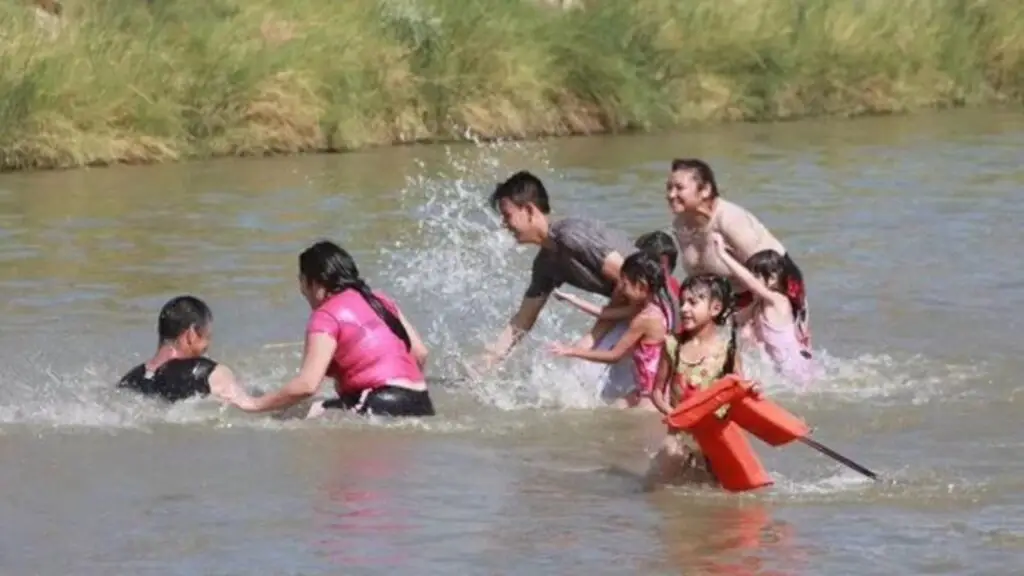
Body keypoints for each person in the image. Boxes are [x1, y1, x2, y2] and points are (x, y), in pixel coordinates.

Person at [240, 240, 434, 418]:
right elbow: (420, 353)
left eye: (301, 282)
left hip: (378, 401)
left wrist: (254, 404)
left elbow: (307, 385)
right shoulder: (380, 300)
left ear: (312, 282)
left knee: (287, 415)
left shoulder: (326, 315)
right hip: (423, 402)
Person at [476, 171, 639, 381]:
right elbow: (522, 320)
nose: (504, 224)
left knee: (584, 373)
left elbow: (634, 280)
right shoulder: (546, 264)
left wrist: (592, 337)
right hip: (630, 313)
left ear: (529, 210)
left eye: (507, 216)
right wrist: (487, 361)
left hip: (657, 311)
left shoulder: (572, 236)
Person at [665, 158, 812, 347]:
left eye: (678, 188)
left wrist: (758, 319)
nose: (670, 194)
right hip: (732, 301)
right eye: (668, 188)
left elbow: (771, 274)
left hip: (775, 291)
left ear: (705, 190)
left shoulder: (729, 220)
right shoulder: (680, 225)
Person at [646, 274, 743, 488]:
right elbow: (656, 393)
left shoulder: (727, 352)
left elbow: (739, 394)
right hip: (679, 436)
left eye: (692, 302)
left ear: (715, 308)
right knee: (656, 488)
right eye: (681, 302)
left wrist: (753, 390)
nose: (683, 309)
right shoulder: (673, 345)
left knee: (711, 494)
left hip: (714, 438)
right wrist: (673, 414)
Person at [549, 252, 672, 410]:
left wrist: (570, 351)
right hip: (648, 389)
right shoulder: (654, 307)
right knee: (610, 413)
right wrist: (572, 299)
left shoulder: (644, 319)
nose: (621, 288)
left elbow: (613, 356)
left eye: (625, 284)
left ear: (641, 286)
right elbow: (605, 314)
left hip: (649, 396)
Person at [117, 295, 257, 408]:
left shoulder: (130, 379)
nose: (207, 346)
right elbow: (251, 406)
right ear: (191, 334)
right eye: (207, 337)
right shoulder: (207, 373)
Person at [711, 233, 815, 384]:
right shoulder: (757, 304)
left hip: (793, 369)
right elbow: (734, 320)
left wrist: (722, 254)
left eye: (756, 276)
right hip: (779, 368)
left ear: (772, 279)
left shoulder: (779, 301)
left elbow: (749, 282)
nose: (750, 281)